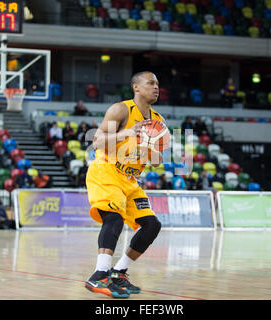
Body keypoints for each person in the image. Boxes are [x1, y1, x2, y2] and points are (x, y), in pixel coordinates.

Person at [85, 71, 164, 298]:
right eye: (151, 83)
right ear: (136, 88)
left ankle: (118, 273)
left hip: (130, 179)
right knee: (114, 217)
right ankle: (99, 275)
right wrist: (127, 133)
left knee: (151, 225)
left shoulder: (158, 120)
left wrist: (153, 146)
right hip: (106, 171)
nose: (156, 87)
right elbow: (97, 142)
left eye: (157, 84)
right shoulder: (121, 110)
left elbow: (157, 161)